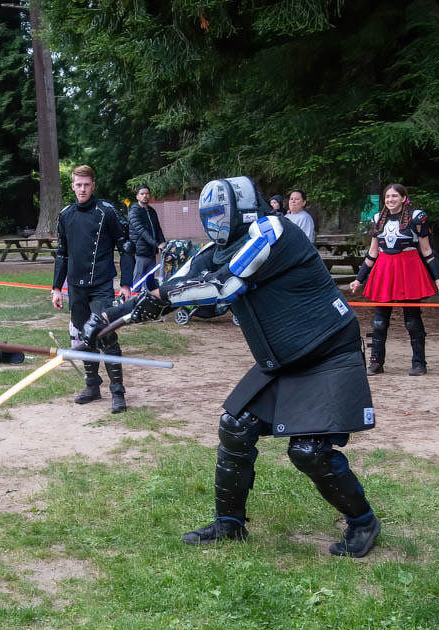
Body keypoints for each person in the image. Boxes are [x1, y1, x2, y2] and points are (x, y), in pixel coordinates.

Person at [82, 176, 381, 558]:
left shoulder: (271, 230)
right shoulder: (216, 249)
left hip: (328, 352)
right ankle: (230, 525)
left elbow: (224, 286)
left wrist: (165, 299)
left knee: (308, 450)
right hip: (282, 359)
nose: (214, 222)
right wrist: (106, 317)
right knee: (236, 426)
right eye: (208, 215)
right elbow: (171, 283)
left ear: (241, 207)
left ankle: (362, 521)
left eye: (219, 213)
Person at [51, 165, 135, 414]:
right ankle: (92, 385)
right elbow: (62, 254)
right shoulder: (65, 215)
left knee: (105, 333)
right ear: (73, 186)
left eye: (87, 184)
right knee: (82, 334)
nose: (83, 189)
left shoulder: (107, 212)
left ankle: (117, 392)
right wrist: (57, 287)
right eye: (78, 185)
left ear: (93, 185)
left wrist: (127, 284)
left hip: (101, 286)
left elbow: (126, 248)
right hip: (76, 288)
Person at [349, 183, 439, 376]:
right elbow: (372, 252)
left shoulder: (417, 217)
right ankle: (376, 362)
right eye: (387, 197)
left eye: (394, 196)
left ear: (403, 198)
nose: (390, 200)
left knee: (412, 320)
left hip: (409, 268)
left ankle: (419, 363)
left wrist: (438, 277)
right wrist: (359, 279)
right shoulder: (377, 219)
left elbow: (427, 250)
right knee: (379, 321)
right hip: (384, 268)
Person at [128, 184, 167, 284]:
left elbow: (158, 229)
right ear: (137, 196)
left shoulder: (152, 211)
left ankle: (148, 299)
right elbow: (142, 232)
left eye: (147, 193)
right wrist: (157, 244)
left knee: (149, 281)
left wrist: (163, 243)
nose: (145, 196)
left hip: (151, 253)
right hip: (140, 252)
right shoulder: (134, 212)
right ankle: (134, 298)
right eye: (142, 194)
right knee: (138, 281)